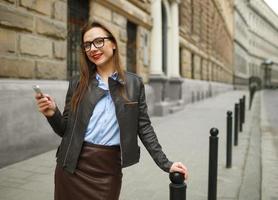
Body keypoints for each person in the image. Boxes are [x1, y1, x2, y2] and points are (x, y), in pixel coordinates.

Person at [35, 21, 188, 200]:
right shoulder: (78, 83)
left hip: (108, 171)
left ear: (113, 43)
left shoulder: (134, 84)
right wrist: (52, 114)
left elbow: (144, 128)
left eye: (98, 41)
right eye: (87, 45)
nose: (93, 48)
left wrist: (166, 163)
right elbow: (65, 130)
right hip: (71, 168)